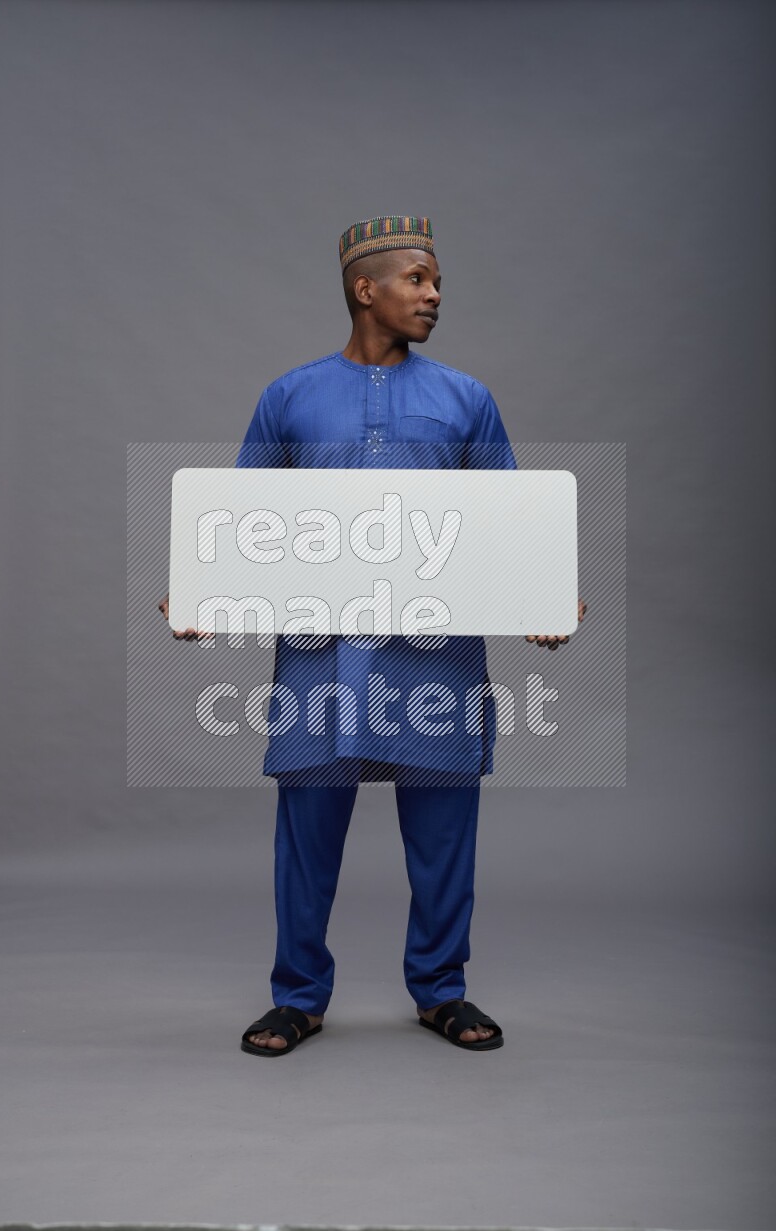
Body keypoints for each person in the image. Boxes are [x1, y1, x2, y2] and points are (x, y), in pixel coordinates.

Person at [159, 216, 585, 1056]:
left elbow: (511, 523)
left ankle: (441, 989)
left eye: (436, 284)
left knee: (443, 831)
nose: (433, 297)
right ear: (367, 288)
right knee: (308, 832)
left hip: (438, 657)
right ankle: (298, 994)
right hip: (324, 658)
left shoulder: (466, 398)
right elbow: (244, 524)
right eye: (419, 280)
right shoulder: (290, 396)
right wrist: (202, 592)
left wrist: (544, 597)